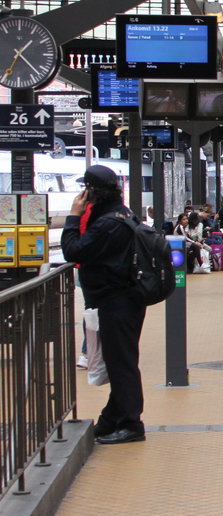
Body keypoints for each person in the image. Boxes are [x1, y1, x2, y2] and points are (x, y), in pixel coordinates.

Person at [59, 164, 147, 445]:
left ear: (91, 190)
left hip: (117, 299)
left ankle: (132, 424)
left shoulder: (108, 223)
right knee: (120, 361)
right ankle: (113, 417)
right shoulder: (120, 214)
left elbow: (73, 250)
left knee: (122, 363)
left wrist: (73, 216)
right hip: (124, 298)